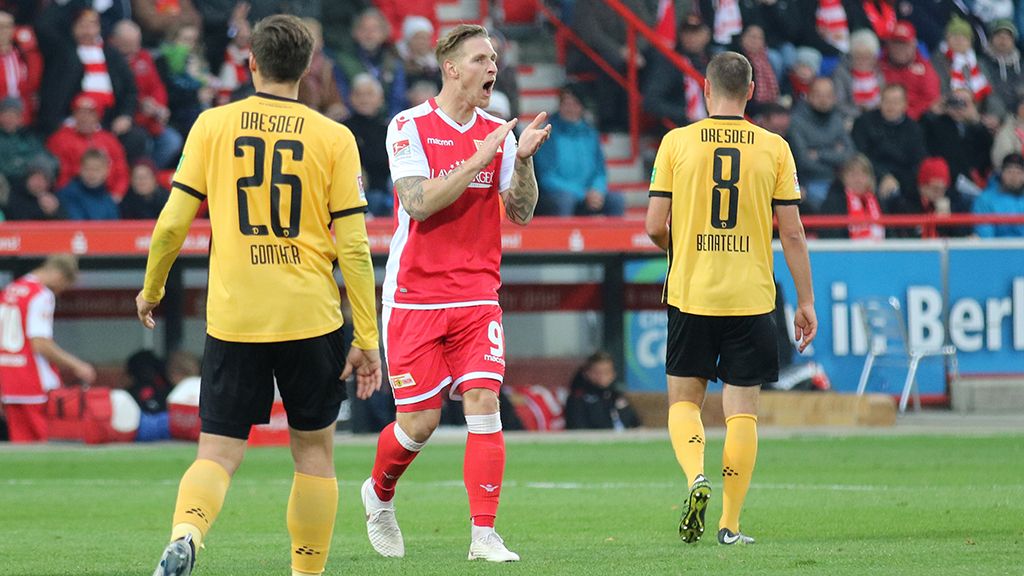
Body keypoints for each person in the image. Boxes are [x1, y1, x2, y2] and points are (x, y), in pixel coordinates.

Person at [137, 15, 381, 576]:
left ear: (252, 63)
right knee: (314, 453)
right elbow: (354, 247)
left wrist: (153, 287)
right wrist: (366, 336)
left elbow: (172, 224)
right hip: (311, 316)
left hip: (236, 317)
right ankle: (305, 571)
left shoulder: (212, 125)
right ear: (308, 68)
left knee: (218, 451)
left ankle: (187, 533)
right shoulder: (334, 137)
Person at [363, 23, 550, 563]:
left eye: (493, 59)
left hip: (476, 294)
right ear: (450, 68)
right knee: (418, 425)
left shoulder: (499, 133)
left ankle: (484, 535)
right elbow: (418, 203)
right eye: (480, 59)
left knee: (484, 401)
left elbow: (520, 212)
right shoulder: (409, 126)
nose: (492, 67)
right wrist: (477, 159)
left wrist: (523, 160)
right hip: (415, 296)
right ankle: (378, 493)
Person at [645, 52, 817, 547]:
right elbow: (793, 233)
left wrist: (684, 247)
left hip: (692, 292)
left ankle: (695, 475)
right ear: (750, 92)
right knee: (742, 412)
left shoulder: (677, 142)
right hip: (751, 297)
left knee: (684, 402)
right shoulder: (775, 148)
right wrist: (805, 301)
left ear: (705, 88)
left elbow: (654, 225)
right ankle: (730, 524)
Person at [0, 255, 96, 443]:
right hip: (35, 383)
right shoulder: (41, 294)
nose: (59, 292)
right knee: (50, 446)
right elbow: (40, 343)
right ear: (60, 276)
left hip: (10, 381)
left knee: (22, 448)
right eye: (63, 286)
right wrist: (77, 365)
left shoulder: (9, 290)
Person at [534, 85, 623, 216]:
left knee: (616, 200)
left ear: (582, 107)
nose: (570, 108)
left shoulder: (591, 135)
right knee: (565, 200)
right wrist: (582, 193)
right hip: (558, 195)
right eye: (566, 104)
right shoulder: (548, 135)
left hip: (587, 194)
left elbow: (600, 171)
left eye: (575, 104)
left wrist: (597, 190)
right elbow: (547, 177)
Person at [788, 77, 855, 210]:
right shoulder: (796, 122)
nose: (823, 100)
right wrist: (835, 155)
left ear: (834, 97)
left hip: (841, 179)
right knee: (831, 204)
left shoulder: (837, 119)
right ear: (808, 96)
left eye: (828, 95)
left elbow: (850, 154)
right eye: (818, 95)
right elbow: (803, 161)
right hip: (810, 181)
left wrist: (819, 154)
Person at [564, 351, 640, 430]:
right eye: (597, 372)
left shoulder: (619, 396)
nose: (602, 376)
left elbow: (637, 424)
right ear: (587, 374)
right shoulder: (578, 400)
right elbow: (578, 430)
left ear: (613, 374)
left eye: (607, 372)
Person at [57, 148, 119, 220]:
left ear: (106, 171)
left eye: (96, 169)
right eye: (87, 168)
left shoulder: (109, 201)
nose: (91, 173)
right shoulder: (68, 194)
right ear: (80, 169)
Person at [974, 152, 1024, 237]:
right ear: (1001, 174)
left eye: (1018, 172)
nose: (1014, 176)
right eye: (1009, 172)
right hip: (998, 245)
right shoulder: (985, 199)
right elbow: (985, 235)